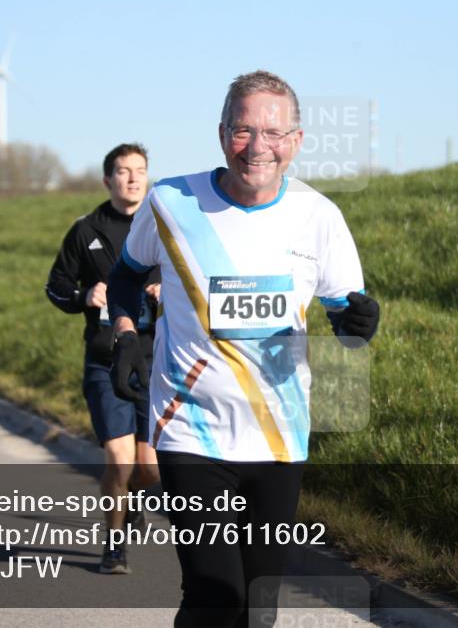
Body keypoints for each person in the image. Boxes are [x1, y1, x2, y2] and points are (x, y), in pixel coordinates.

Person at [108, 70, 380, 627]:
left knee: (258, 610)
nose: (257, 147)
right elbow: (126, 277)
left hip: (278, 435)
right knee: (215, 597)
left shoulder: (319, 216)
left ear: (296, 141)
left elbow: (345, 316)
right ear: (221, 133)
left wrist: (359, 323)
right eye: (242, 130)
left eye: (273, 133)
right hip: (190, 429)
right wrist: (127, 335)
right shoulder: (171, 202)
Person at [45, 143, 161, 574]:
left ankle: (132, 501)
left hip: (156, 360)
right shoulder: (85, 230)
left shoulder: (164, 226)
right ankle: (114, 547)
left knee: (149, 470)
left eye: (140, 170)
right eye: (123, 171)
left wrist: (168, 292)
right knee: (119, 458)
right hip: (106, 360)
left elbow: (195, 283)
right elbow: (55, 286)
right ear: (107, 180)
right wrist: (84, 296)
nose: (132, 178)